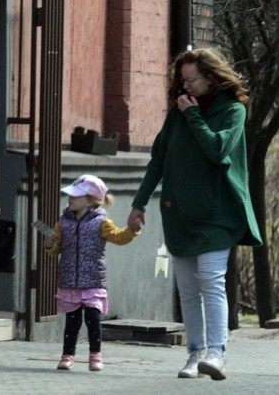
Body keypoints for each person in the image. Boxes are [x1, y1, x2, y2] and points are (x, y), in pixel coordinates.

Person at [126, 48, 262, 380]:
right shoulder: (177, 114)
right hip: (179, 213)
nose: (186, 86)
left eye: (193, 79)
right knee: (187, 288)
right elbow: (158, 160)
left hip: (217, 214)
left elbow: (217, 151)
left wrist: (193, 117)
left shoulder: (232, 111)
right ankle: (194, 354)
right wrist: (138, 203)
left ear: (212, 78)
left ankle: (217, 354)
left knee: (211, 282)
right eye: (182, 80)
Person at [44, 174, 140, 372]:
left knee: (93, 319)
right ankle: (67, 355)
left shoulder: (101, 222)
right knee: (72, 321)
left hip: (93, 279)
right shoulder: (62, 222)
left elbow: (119, 237)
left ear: (90, 200)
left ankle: (95, 355)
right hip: (69, 280)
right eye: (70, 195)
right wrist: (50, 245)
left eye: (76, 196)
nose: (70, 199)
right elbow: (56, 248)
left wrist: (131, 230)